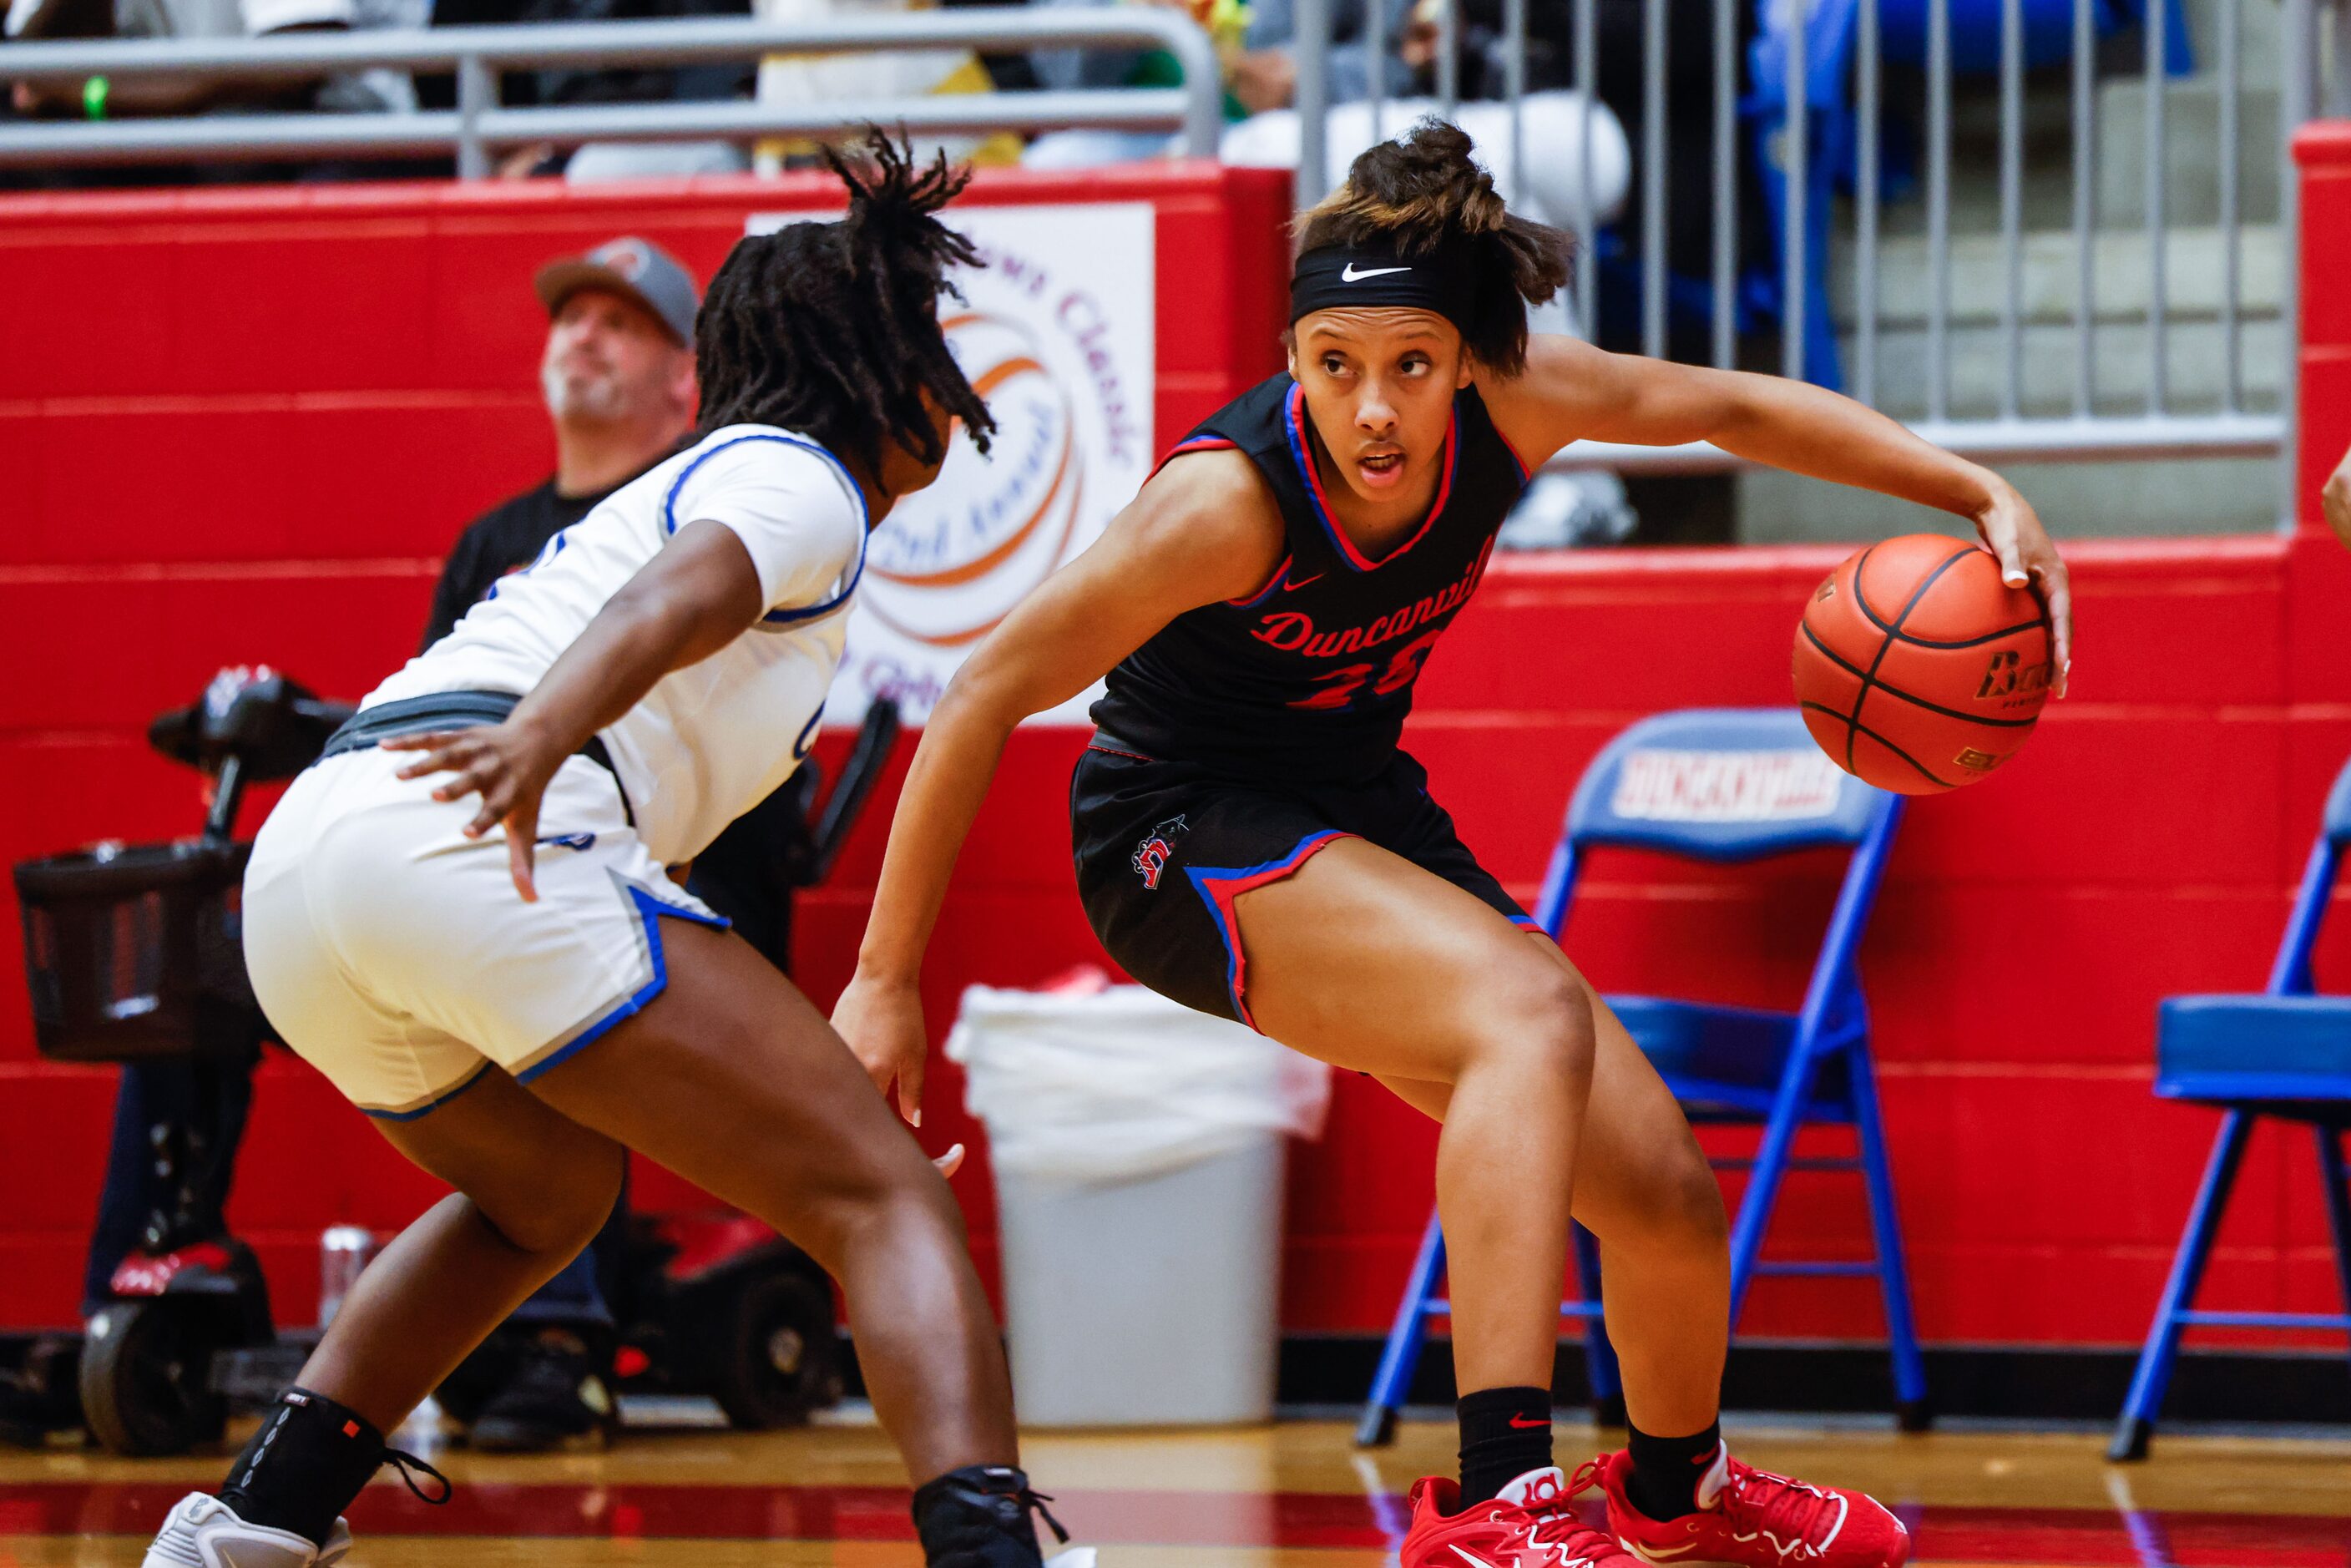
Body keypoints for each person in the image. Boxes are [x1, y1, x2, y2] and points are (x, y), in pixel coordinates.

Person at [834, 120, 2073, 1568]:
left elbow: (1730, 407)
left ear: (1469, 361)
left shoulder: (1520, 405)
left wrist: (1973, 490)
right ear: (1294, 357)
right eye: (1333, 363)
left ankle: (1677, 1495)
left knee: (1664, 1187)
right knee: (1527, 1009)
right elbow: (983, 686)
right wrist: (883, 974)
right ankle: (1495, 1508)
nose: (1371, 409)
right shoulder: (1223, 506)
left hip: (1354, 807)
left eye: (1409, 366)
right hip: (1175, 828)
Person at [140, 132, 1086, 1568]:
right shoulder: (800, 478)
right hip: (480, 808)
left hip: (315, 868)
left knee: (548, 1194)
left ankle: (248, 1527)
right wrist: (544, 734)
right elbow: (682, 596)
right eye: (930, 349)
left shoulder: (709, 476)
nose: (951, 387)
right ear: (876, 371)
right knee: (885, 1196)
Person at [413, 233, 700, 1454]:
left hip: (634, 856)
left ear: (685, 380)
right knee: (197, 968)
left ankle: (566, 1338)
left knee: (557, 927)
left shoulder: (695, 524)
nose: (581, 335)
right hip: (477, 854)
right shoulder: (493, 542)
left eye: (619, 323)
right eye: (569, 316)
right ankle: (143, 1281)